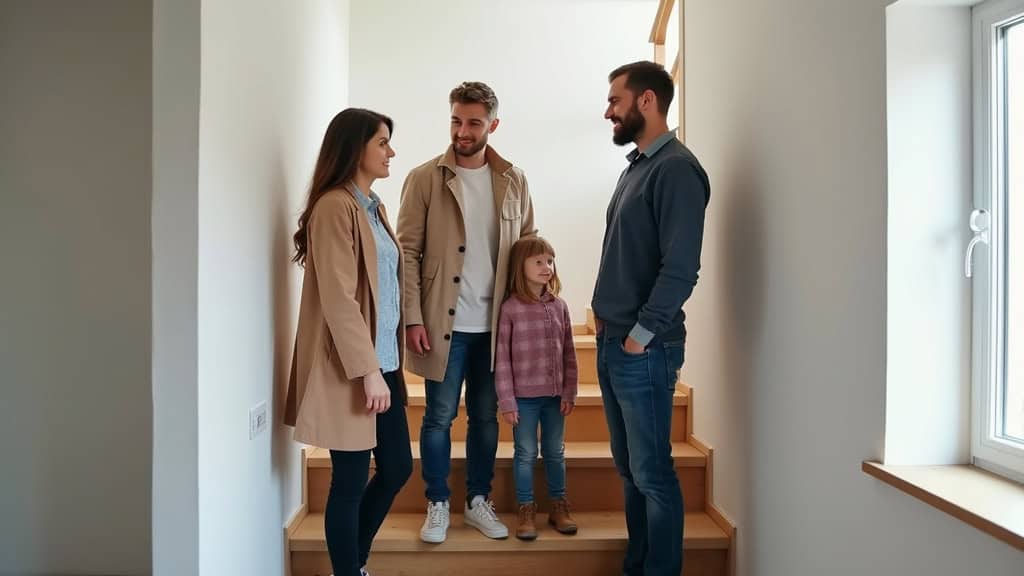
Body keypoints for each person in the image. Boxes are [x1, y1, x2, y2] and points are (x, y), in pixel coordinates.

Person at [396, 81, 536, 543]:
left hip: (495, 328)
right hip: (442, 324)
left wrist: (530, 320)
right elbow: (408, 254)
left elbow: (528, 251)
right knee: (438, 416)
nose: (463, 130)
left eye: (474, 122)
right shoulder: (422, 178)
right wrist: (413, 317)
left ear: (492, 125)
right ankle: (437, 502)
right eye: (456, 120)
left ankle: (478, 500)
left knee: (484, 416)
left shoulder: (514, 178)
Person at [592, 61, 711, 576]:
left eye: (615, 101)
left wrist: (641, 336)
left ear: (646, 101)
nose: (608, 111)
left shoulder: (677, 169)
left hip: (644, 349)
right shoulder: (637, 166)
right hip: (615, 343)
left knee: (653, 473)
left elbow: (681, 267)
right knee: (630, 470)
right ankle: (636, 565)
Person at [284, 108, 412, 576]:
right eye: (382, 142)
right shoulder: (334, 206)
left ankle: (353, 562)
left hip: (385, 362)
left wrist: (386, 362)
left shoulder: (372, 206)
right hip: (354, 369)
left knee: (398, 469)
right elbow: (339, 299)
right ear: (355, 147)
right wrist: (367, 371)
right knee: (351, 481)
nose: (390, 151)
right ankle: (349, 570)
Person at [494, 236, 579, 541]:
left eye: (550, 261)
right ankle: (526, 509)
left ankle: (558, 506)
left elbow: (569, 352)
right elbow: (502, 357)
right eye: (539, 261)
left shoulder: (560, 307)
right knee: (526, 453)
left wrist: (570, 391)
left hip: (555, 398)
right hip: (523, 401)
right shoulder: (510, 309)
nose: (547, 267)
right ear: (522, 266)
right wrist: (507, 400)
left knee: (555, 452)